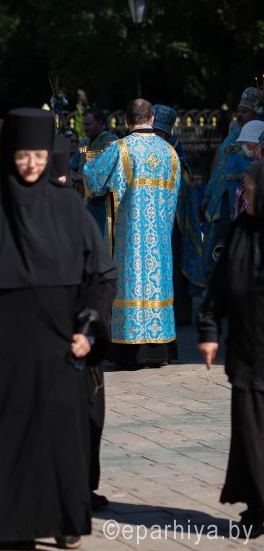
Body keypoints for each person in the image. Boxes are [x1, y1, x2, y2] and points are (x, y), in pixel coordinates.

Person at [0, 108, 116, 548]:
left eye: (39, 156)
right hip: (4, 347)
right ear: (10, 155)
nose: (31, 164)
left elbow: (100, 277)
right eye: (23, 156)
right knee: (5, 435)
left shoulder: (69, 206)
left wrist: (89, 328)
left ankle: (65, 520)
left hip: (60, 345)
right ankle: (7, 526)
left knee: (60, 435)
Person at [84, 99, 180, 369]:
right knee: (159, 284)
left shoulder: (120, 149)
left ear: (127, 121)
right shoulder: (170, 153)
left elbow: (93, 180)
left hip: (130, 239)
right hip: (159, 240)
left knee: (130, 283)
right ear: (151, 119)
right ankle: (159, 351)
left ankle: (129, 351)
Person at [197, 161, 264, 538]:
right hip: (245, 355)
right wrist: (208, 330)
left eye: (249, 188)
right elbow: (218, 288)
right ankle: (257, 506)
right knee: (249, 436)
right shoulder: (239, 231)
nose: (244, 194)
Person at [50, 133, 114, 511]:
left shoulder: (77, 216)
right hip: (39, 338)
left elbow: (103, 277)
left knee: (89, 416)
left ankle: (83, 486)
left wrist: (88, 329)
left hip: (79, 336)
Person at [203, 87, 263, 282]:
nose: (239, 115)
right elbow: (219, 163)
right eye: (238, 110)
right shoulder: (235, 132)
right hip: (222, 200)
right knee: (219, 248)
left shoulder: (259, 135)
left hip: (245, 205)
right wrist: (208, 194)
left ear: (257, 113)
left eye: (244, 111)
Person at [153, 105, 205, 325]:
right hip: (157, 218)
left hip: (174, 221)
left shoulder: (174, 151)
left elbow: (184, 184)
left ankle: (179, 314)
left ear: (164, 132)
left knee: (174, 265)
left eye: (156, 132)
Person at [73, 108, 119, 251]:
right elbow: (76, 161)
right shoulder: (84, 143)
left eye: (88, 124)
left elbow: (109, 171)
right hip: (83, 198)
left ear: (100, 123)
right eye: (83, 124)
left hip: (102, 201)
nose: (84, 128)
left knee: (100, 239)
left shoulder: (111, 143)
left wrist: (82, 178)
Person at [233, 120, 264, 217]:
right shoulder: (256, 164)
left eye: (245, 141)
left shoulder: (258, 168)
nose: (244, 145)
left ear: (254, 143)